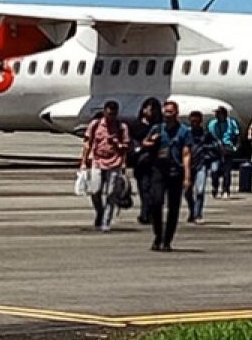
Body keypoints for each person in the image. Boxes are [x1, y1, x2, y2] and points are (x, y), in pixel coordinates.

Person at [142, 101, 192, 251]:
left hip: (176, 171)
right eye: (166, 112)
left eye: (170, 112)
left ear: (176, 113)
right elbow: (145, 142)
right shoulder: (157, 128)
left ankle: (167, 240)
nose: (167, 115)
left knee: (173, 207)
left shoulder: (184, 131)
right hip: (159, 170)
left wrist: (187, 177)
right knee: (156, 202)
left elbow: (186, 154)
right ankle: (158, 235)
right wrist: (151, 142)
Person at [78, 100, 130, 232]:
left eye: (113, 115)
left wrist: (118, 144)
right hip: (98, 161)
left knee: (111, 193)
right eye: (108, 114)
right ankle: (99, 211)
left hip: (115, 162)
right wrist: (84, 161)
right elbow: (87, 143)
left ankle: (106, 221)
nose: (110, 117)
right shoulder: (95, 125)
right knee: (95, 190)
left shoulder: (121, 127)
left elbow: (126, 146)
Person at [128, 97, 162, 225]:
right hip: (141, 162)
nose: (149, 111)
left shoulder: (159, 127)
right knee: (144, 189)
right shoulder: (136, 125)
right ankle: (146, 214)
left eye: (153, 109)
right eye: (148, 108)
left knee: (154, 191)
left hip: (156, 162)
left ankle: (148, 213)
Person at [184, 110, 219, 224]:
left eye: (197, 120)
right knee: (187, 191)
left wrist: (207, 150)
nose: (194, 122)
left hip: (201, 165)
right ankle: (192, 210)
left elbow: (215, 145)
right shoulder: (186, 133)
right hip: (188, 166)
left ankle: (197, 214)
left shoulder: (206, 133)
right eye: (192, 120)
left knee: (200, 191)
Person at [207, 106, 241, 199]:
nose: (216, 115)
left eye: (218, 113)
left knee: (227, 172)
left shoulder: (232, 123)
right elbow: (209, 137)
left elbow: (237, 135)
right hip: (216, 149)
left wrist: (236, 147)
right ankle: (215, 186)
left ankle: (226, 190)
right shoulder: (212, 124)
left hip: (227, 148)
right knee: (214, 170)